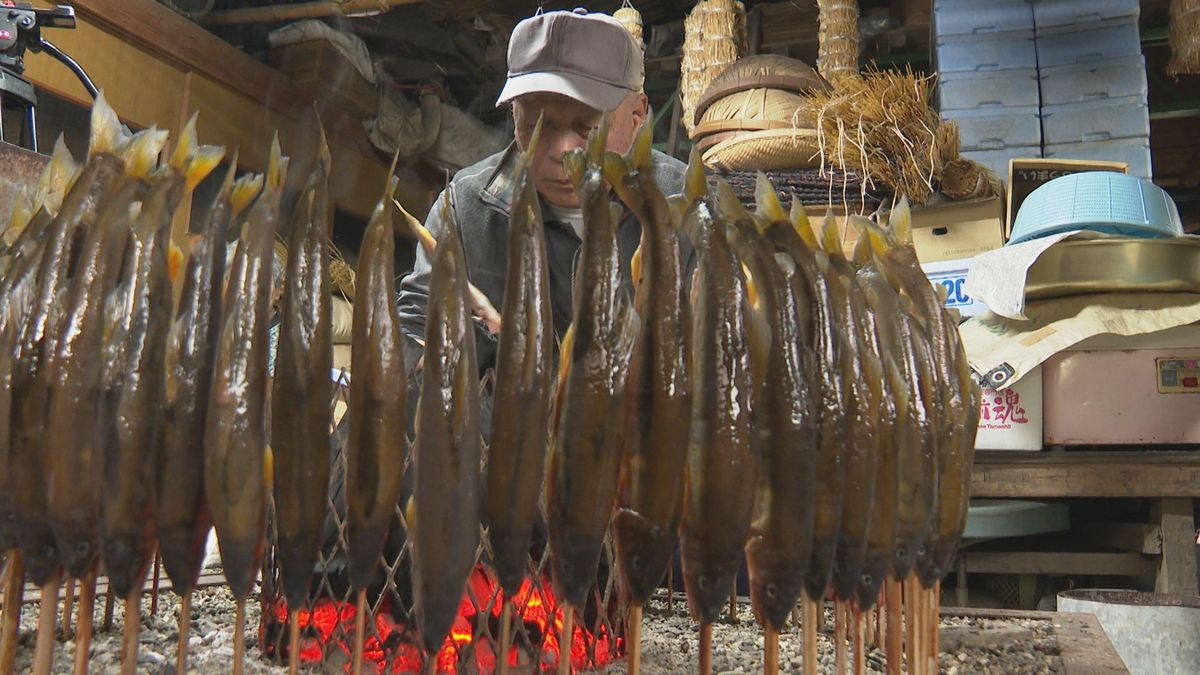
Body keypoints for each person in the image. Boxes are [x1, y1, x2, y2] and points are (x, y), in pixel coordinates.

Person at [397, 8, 692, 381]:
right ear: (514, 115)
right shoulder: (467, 207)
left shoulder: (683, 206)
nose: (562, 151)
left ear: (637, 115)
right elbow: (416, 326)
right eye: (538, 125)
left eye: (587, 128)